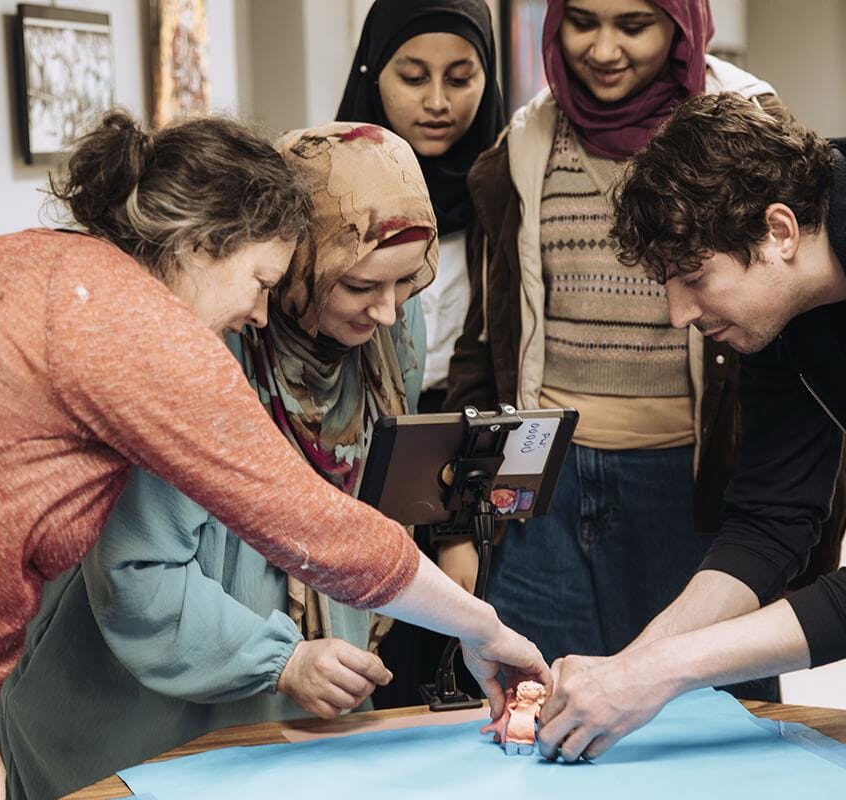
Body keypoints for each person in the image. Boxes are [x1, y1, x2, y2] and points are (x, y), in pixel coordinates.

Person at [0, 112, 547, 798]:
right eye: (263, 282)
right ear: (201, 246)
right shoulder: (139, 330)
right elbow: (317, 531)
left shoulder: (54, 269)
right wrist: (484, 628)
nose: (261, 313)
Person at [537, 91, 846, 762]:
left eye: (693, 277)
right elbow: (771, 519)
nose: (679, 314)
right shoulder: (789, 295)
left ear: (780, 231)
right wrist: (626, 666)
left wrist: (658, 675)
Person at [0, 121, 439, 799]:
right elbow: (137, 570)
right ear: (293, 264)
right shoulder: (201, 336)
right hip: (138, 700)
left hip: (299, 692)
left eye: (408, 285)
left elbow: (357, 511)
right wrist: (281, 659)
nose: (386, 310)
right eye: (359, 286)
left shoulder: (388, 333)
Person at [444, 0, 846, 701]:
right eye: (582, 23)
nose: (603, 49)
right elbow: (487, 347)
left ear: (681, 24)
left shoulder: (749, 125)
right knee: (540, 704)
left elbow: (808, 345)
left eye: (632, 25)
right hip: (546, 486)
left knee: (705, 718)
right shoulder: (522, 144)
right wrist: (461, 518)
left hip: (697, 487)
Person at [336, 0, 508, 708]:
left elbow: (495, 374)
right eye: (413, 76)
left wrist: (460, 523)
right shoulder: (330, 189)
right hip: (352, 460)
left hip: (472, 463)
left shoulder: (505, 192)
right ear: (375, 74)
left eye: (462, 77)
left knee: (471, 682)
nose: (438, 102)